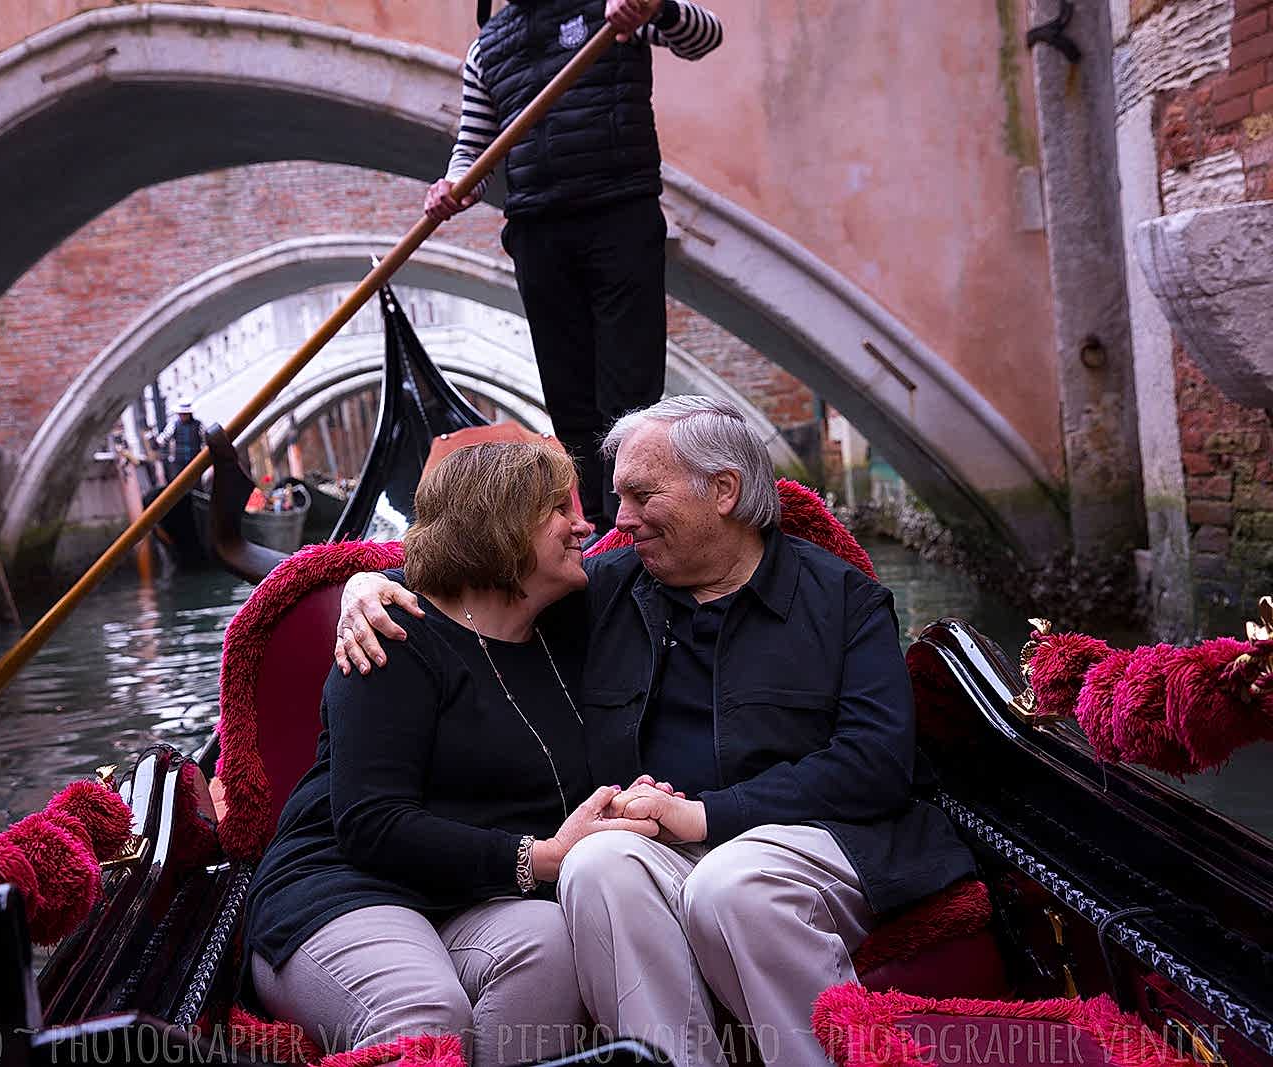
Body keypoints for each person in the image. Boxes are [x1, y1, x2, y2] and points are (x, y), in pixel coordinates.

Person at [335, 397, 978, 1067]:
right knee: (594, 862)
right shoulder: (605, 590)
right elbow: (481, 584)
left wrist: (703, 815)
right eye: (617, 497)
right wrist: (371, 585)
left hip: (822, 844)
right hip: (670, 851)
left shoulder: (842, 601)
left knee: (734, 880)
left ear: (723, 490)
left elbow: (877, 763)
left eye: (641, 495)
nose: (619, 521)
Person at [243, 442, 661, 1067]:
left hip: (477, 895)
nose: (585, 525)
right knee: (424, 1007)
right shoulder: (393, 635)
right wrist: (543, 857)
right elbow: (370, 824)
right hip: (346, 886)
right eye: (557, 509)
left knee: (552, 947)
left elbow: (700, 556)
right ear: (500, 527)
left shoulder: (574, 617)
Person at [425, 0, 723, 534]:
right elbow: (475, 147)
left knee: (629, 392)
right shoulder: (485, 49)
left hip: (619, 216)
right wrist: (453, 186)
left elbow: (704, 39)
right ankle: (597, 535)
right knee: (569, 402)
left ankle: (633, 525)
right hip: (538, 233)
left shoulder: (618, 6)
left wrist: (659, 9)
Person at [155, 399, 204, 481]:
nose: (182, 416)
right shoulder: (174, 425)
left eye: (185, 414)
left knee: (196, 482)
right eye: (181, 414)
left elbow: (205, 440)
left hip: (195, 460)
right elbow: (163, 438)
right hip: (179, 462)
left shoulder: (198, 425)